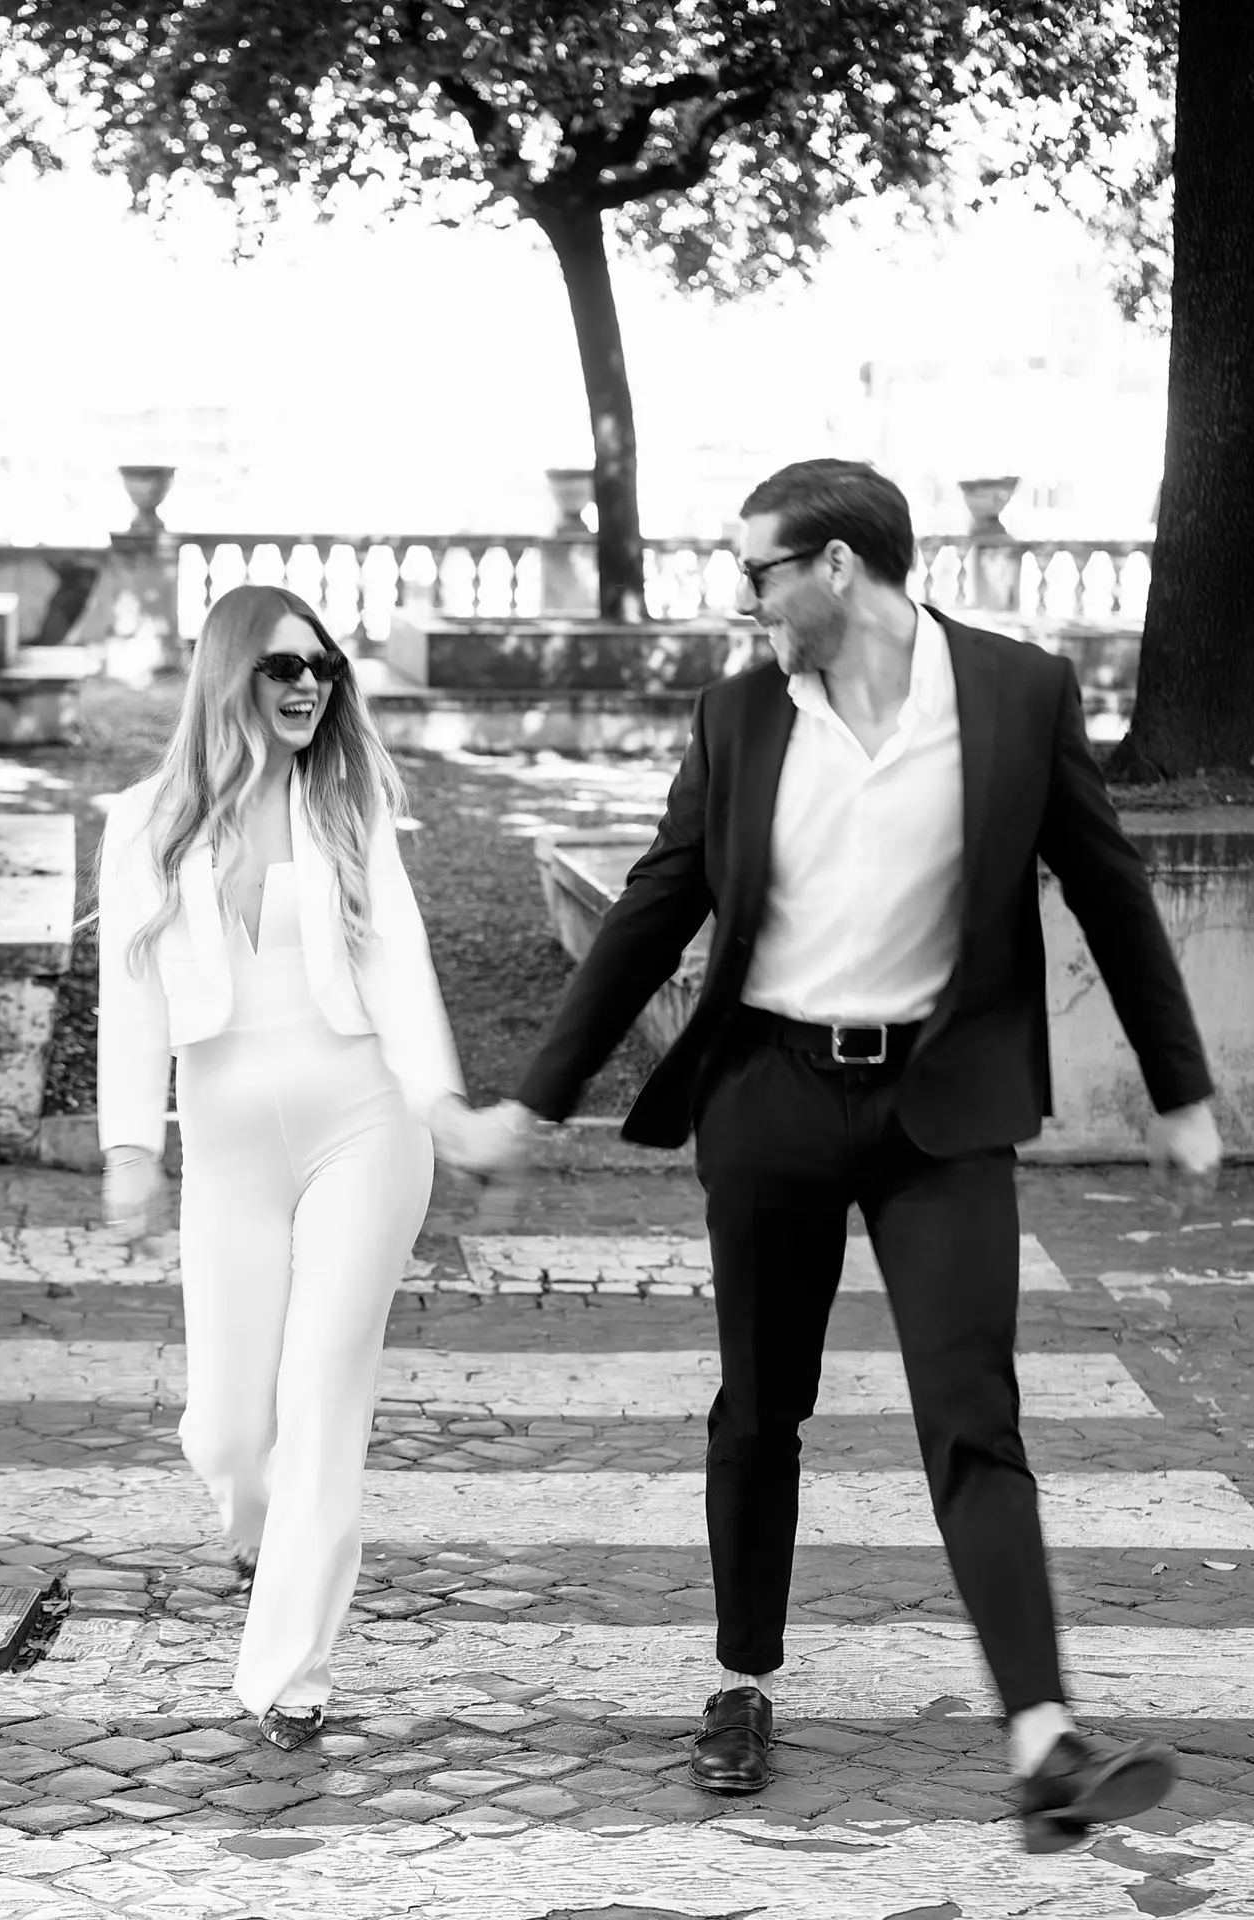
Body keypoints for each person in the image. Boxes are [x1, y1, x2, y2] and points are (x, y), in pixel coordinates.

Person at [460, 459, 1223, 1852]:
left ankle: (1042, 1737)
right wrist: (536, 1099)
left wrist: (1180, 1092)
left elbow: (1110, 889)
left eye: (755, 570)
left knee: (973, 1413)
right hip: (772, 1098)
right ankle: (741, 1678)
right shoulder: (741, 715)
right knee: (762, 1405)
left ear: (834, 567)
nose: (741, 599)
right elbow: (652, 907)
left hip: (942, 1109)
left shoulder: (1012, 695)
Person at [95, 583, 490, 1750]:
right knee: (225, 1431)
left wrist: (440, 1100)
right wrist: (131, 1146)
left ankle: (290, 1676)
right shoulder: (144, 821)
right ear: (228, 676)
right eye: (281, 666)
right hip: (227, 1147)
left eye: (321, 666)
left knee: (322, 1400)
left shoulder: (345, 804)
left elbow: (401, 962)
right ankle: (259, 1529)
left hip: (364, 1126)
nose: (308, 684)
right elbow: (131, 996)